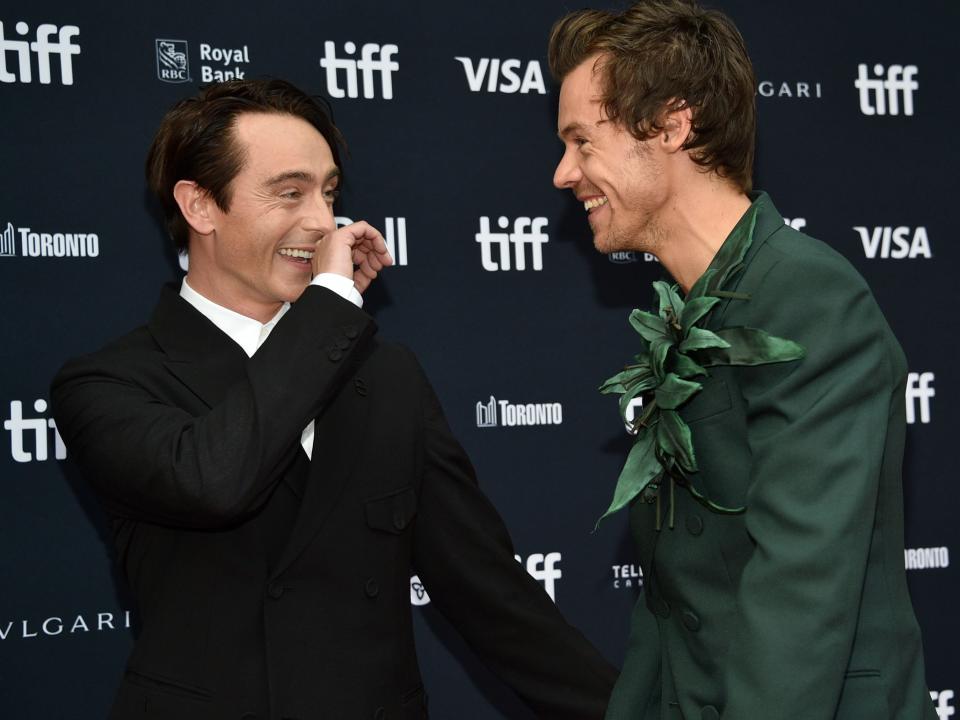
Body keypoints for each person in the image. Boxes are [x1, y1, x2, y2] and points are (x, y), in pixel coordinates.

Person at [51, 78, 616, 720]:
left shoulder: (388, 377)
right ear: (200, 205)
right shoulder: (109, 382)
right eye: (289, 193)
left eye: (328, 194)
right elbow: (215, 479)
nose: (322, 222)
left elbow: (492, 596)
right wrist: (327, 312)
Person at [548, 2, 936, 718]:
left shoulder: (810, 297)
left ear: (670, 124)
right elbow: (670, 610)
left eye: (580, 141)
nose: (563, 173)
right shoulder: (686, 315)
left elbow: (801, 593)